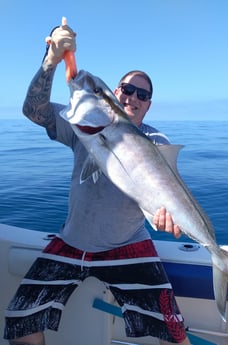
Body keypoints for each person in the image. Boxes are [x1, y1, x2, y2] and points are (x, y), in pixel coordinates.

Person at [4, 22, 191, 345]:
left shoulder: (155, 141)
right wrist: (52, 59)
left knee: (174, 332)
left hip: (128, 245)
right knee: (20, 321)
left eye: (142, 94)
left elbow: (165, 191)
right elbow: (34, 111)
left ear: (148, 105)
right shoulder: (83, 124)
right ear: (116, 93)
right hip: (72, 241)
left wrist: (168, 215)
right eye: (127, 89)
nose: (133, 96)